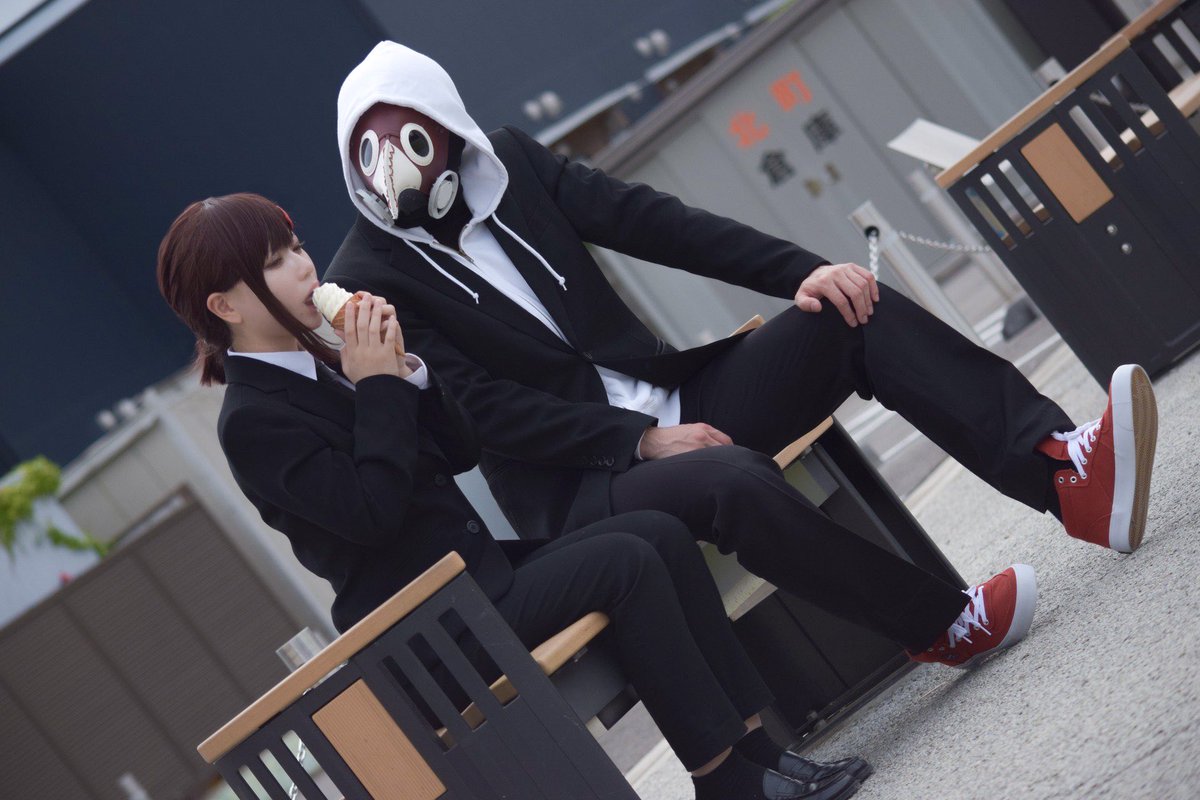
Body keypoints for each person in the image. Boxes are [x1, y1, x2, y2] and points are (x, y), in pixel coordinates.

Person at [322, 42, 1157, 652]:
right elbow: (483, 410)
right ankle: (942, 623)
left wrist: (802, 272)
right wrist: (638, 441)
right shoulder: (368, 277)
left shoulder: (509, 163)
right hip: (583, 483)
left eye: (410, 138)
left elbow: (654, 222)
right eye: (372, 152)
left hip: (680, 399)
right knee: (731, 480)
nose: (395, 166)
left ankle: (1063, 470)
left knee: (854, 311)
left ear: (448, 127)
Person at [156, 192, 904, 800]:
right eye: (275, 262)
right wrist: (379, 387)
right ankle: (723, 779)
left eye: (295, 247)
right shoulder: (252, 421)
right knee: (625, 563)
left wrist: (410, 375)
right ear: (226, 306)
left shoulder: (330, 358)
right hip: (425, 631)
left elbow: (458, 454)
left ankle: (757, 751)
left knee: (656, 532)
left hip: (477, 579)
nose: (302, 266)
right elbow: (372, 514)